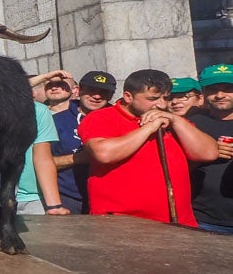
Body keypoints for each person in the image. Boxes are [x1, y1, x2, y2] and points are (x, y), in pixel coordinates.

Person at [80, 69, 217, 227]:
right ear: (128, 97)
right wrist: (149, 128)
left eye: (165, 98)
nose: (161, 104)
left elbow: (209, 153)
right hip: (123, 224)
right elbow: (103, 154)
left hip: (177, 223)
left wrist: (176, 120)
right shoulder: (102, 117)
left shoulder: (172, 120)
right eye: (152, 99)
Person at [51, 70, 116, 213]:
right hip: (68, 199)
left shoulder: (119, 120)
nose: (97, 96)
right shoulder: (56, 121)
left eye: (104, 92)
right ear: (79, 90)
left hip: (111, 199)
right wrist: (79, 158)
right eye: (91, 90)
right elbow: (42, 163)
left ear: (111, 96)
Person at [188, 64, 233, 233]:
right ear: (204, 94)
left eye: (228, 88)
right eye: (213, 89)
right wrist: (205, 154)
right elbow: (174, 170)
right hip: (204, 218)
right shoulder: (191, 124)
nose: (220, 95)